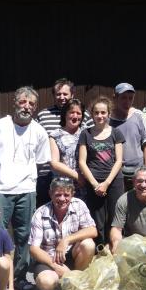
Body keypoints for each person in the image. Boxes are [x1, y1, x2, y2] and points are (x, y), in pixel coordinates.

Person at [0, 86, 51, 290]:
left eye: (31, 104)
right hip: (0, 190)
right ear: (14, 102)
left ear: (35, 107)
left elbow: (40, 162)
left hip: (27, 190)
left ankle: (19, 276)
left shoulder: (39, 131)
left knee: (24, 234)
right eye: (23, 102)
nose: (26, 106)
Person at [28, 178, 97, 290]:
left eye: (66, 195)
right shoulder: (40, 213)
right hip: (48, 259)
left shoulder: (79, 205)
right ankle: (66, 282)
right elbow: (33, 249)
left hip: (71, 255)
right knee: (46, 283)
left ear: (72, 194)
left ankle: (76, 282)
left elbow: (92, 230)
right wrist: (55, 266)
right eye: (58, 195)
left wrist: (66, 240)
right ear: (50, 194)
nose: (62, 199)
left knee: (88, 244)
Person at [36, 78, 93, 206]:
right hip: (49, 173)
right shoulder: (43, 115)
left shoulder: (85, 116)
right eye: (58, 94)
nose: (62, 97)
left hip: (84, 180)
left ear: (72, 95)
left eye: (65, 94)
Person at [78, 96, 125, 247]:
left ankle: (114, 249)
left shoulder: (116, 133)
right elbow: (82, 162)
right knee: (96, 219)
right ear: (92, 114)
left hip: (113, 181)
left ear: (109, 113)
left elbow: (119, 160)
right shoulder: (86, 134)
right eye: (97, 113)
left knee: (114, 217)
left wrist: (106, 183)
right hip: (94, 182)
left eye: (103, 112)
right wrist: (95, 184)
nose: (100, 116)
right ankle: (99, 250)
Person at [109, 82, 146, 190]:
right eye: (123, 98)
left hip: (137, 170)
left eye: (130, 98)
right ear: (115, 98)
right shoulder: (108, 119)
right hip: (116, 171)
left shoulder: (138, 115)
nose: (127, 101)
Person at [49, 98, 87, 199]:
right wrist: (76, 176)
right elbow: (54, 163)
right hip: (62, 187)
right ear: (65, 114)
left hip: (84, 186)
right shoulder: (55, 135)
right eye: (72, 112)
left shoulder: (87, 133)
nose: (75, 116)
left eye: (78, 113)